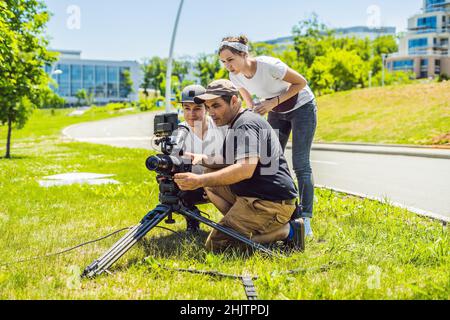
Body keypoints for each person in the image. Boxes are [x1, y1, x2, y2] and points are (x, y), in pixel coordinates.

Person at [174, 79, 305, 252]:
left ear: (234, 101)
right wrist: (202, 158)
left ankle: (288, 231)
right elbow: (228, 160)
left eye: (216, 106)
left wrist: (199, 180)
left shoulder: (246, 124)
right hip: (255, 194)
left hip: (269, 203)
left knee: (218, 246)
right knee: (210, 175)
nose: (211, 112)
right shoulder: (238, 122)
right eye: (209, 107)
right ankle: (238, 224)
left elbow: (245, 169)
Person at [218, 35, 317, 237]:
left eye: (230, 59)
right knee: (270, 162)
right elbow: (250, 105)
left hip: (302, 106)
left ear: (243, 54)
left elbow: (301, 82)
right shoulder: (234, 77)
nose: (227, 65)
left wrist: (273, 102)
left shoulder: (269, 66)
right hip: (275, 109)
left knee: (301, 164)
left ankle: (305, 219)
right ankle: (286, 210)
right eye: (223, 61)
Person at [178, 84, 227, 232]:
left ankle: (235, 222)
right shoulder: (179, 132)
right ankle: (191, 216)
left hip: (222, 182)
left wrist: (210, 180)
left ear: (206, 108)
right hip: (192, 185)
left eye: (197, 109)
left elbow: (231, 161)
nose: (191, 114)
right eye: (187, 108)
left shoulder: (221, 127)